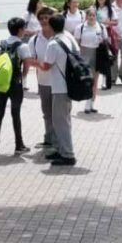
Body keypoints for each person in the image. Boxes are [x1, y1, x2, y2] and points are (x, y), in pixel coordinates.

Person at [41, 14, 78, 167]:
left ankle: (68, 154)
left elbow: (46, 66)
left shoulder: (53, 44)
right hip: (68, 84)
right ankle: (61, 149)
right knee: (64, 120)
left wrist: (33, 62)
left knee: (60, 121)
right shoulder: (68, 38)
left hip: (59, 87)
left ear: (51, 26)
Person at [0, 17, 31, 156]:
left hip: (1, 84)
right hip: (15, 84)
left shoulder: (2, 44)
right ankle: (18, 145)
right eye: (24, 28)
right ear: (20, 30)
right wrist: (23, 77)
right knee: (16, 114)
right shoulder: (23, 46)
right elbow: (26, 65)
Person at [28, 7, 57, 153]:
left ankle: (59, 140)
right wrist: (42, 65)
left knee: (59, 113)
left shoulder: (59, 37)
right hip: (43, 81)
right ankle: (49, 138)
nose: (44, 21)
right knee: (47, 112)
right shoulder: (34, 40)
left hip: (60, 83)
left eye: (47, 18)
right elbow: (29, 60)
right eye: (42, 18)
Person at [77, 7, 107, 114]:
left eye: (93, 15)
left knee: (94, 80)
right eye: (90, 15)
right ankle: (87, 101)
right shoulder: (80, 28)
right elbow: (77, 43)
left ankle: (91, 103)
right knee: (86, 80)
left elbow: (105, 42)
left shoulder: (102, 28)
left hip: (96, 55)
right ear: (86, 16)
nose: (91, 17)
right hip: (84, 55)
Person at [22, 0, 42, 86]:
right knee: (27, 61)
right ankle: (24, 80)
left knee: (39, 60)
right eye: (39, 3)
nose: (41, 4)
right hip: (28, 39)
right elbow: (23, 29)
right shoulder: (27, 15)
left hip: (39, 39)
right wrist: (33, 32)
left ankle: (40, 84)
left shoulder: (42, 14)